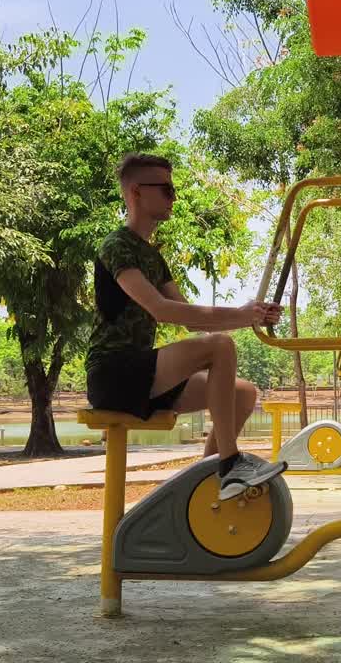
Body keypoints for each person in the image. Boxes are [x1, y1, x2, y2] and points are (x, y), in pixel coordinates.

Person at [86, 153, 288, 501]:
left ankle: (205, 489)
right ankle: (230, 463)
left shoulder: (152, 255)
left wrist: (251, 314)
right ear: (136, 192)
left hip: (144, 373)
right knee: (220, 345)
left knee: (244, 394)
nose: (173, 196)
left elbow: (190, 316)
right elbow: (162, 310)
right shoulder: (116, 246)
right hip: (113, 374)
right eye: (165, 189)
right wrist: (242, 315)